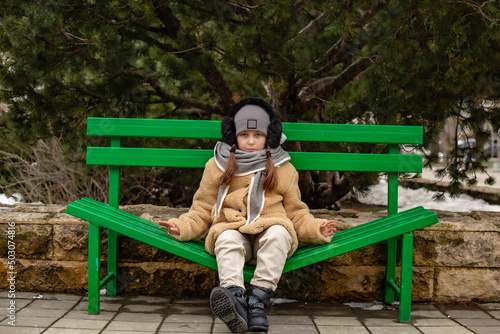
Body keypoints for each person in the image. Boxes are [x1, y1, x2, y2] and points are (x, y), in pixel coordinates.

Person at [158, 97, 337, 333]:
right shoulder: (217, 165)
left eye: (258, 135)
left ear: (268, 137)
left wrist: (316, 229)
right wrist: (182, 227)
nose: (251, 141)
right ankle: (234, 296)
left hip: (269, 227)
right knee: (225, 239)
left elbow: (296, 212)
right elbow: (202, 208)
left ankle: (256, 303)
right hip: (232, 228)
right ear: (234, 136)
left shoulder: (284, 168)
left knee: (279, 234)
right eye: (244, 135)